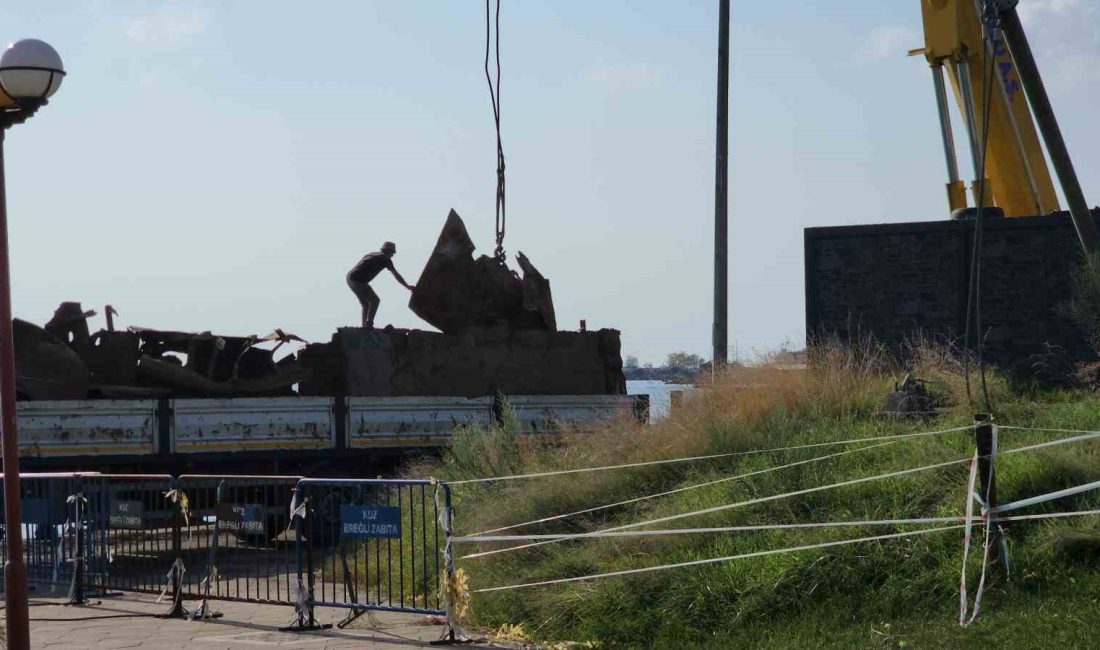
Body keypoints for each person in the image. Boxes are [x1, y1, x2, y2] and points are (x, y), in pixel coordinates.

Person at [346, 241, 414, 328]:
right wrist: (407, 286)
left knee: (365, 304)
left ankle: (364, 326)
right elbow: (396, 275)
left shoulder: (372, 254)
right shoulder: (385, 259)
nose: (392, 255)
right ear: (388, 251)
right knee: (375, 300)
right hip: (358, 280)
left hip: (350, 278)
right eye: (392, 253)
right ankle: (369, 323)